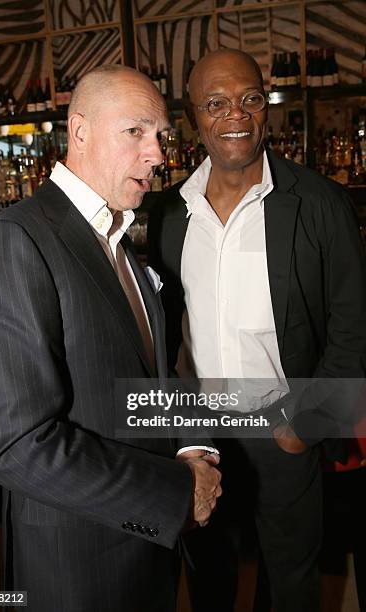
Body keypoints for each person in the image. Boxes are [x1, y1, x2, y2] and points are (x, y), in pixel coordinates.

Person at [0, 65, 222, 612]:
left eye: (161, 137)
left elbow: (151, 377)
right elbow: (15, 446)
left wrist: (191, 446)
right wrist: (176, 492)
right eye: (136, 132)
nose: (158, 154)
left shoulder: (119, 241)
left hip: (147, 549)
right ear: (79, 131)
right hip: (77, 565)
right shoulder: (14, 241)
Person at [148, 49, 366, 611]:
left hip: (283, 428)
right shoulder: (167, 213)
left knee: (291, 584)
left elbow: (353, 329)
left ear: (265, 105)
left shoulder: (320, 203)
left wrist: (307, 426)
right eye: (216, 104)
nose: (235, 116)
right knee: (209, 580)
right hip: (201, 438)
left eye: (249, 99)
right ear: (194, 116)